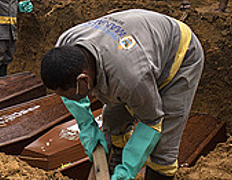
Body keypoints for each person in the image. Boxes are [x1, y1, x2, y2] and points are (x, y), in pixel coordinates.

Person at [40, 9, 204, 180]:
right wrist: (87, 125)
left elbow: (152, 121)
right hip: (136, 46)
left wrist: (129, 168)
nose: (69, 99)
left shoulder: (131, 78)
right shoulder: (64, 47)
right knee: (113, 120)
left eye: (72, 95)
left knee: (163, 145)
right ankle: (114, 161)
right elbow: (77, 95)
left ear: (83, 79)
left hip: (179, 54)